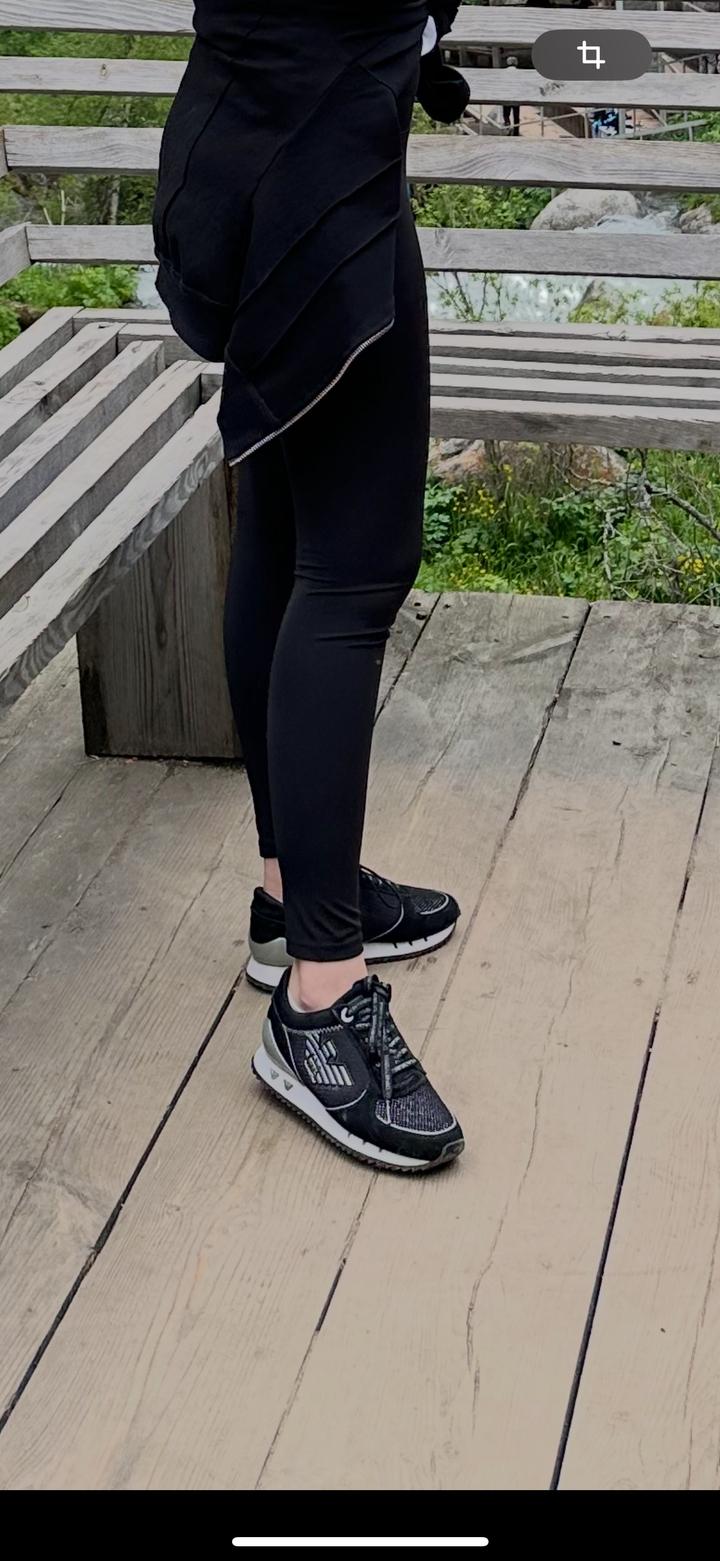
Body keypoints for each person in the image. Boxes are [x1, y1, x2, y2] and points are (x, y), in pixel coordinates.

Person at [153, 2, 468, 1174]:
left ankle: (293, 897)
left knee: (287, 534)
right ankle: (322, 1002)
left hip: (247, 140)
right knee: (354, 572)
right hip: (325, 174)